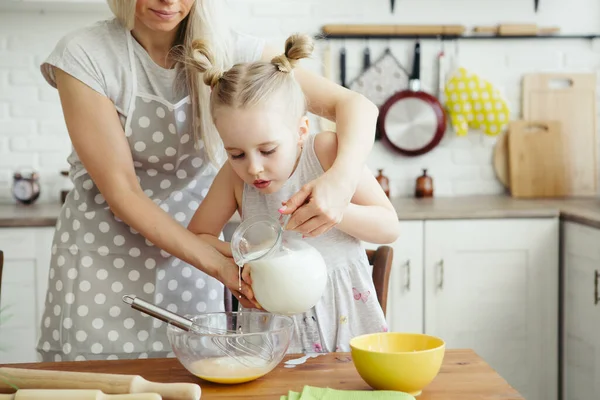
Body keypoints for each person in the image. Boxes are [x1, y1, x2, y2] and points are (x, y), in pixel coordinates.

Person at [35, 0, 380, 362]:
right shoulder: (86, 55)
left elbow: (357, 106)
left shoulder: (232, 50)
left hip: (196, 262)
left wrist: (340, 185)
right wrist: (219, 264)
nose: (168, 0)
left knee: (194, 372)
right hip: (104, 257)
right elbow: (123, 192)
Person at [186, 33, 400, 354]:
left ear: (301, 131)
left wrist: (339, 209)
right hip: (272, 329)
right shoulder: (233, 177)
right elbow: (198, 235)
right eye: (237, 154)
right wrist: (245, 255)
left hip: (346, 316)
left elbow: (389, 227)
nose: (254, 168)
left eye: (268, 150)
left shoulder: (326, 152)